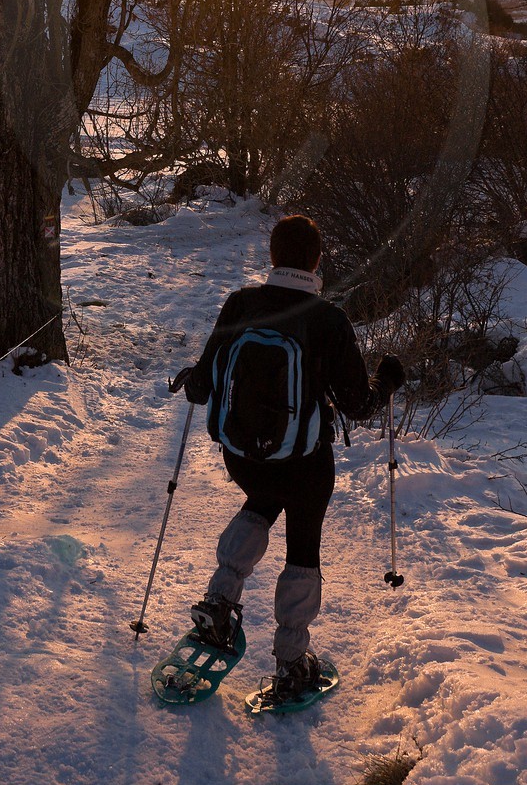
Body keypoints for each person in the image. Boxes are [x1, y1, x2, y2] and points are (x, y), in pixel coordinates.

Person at [171, 214, 404, 699]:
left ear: (272, 256)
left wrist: (194, 379)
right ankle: (292, 661)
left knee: (261, 499)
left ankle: (218, 603)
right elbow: (359, 404)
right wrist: (388, 381)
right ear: (317, 262)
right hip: (304, 466)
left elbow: (203, 385)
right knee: (302, 545)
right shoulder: (328, 319)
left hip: (242, 456)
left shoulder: (241, 303)